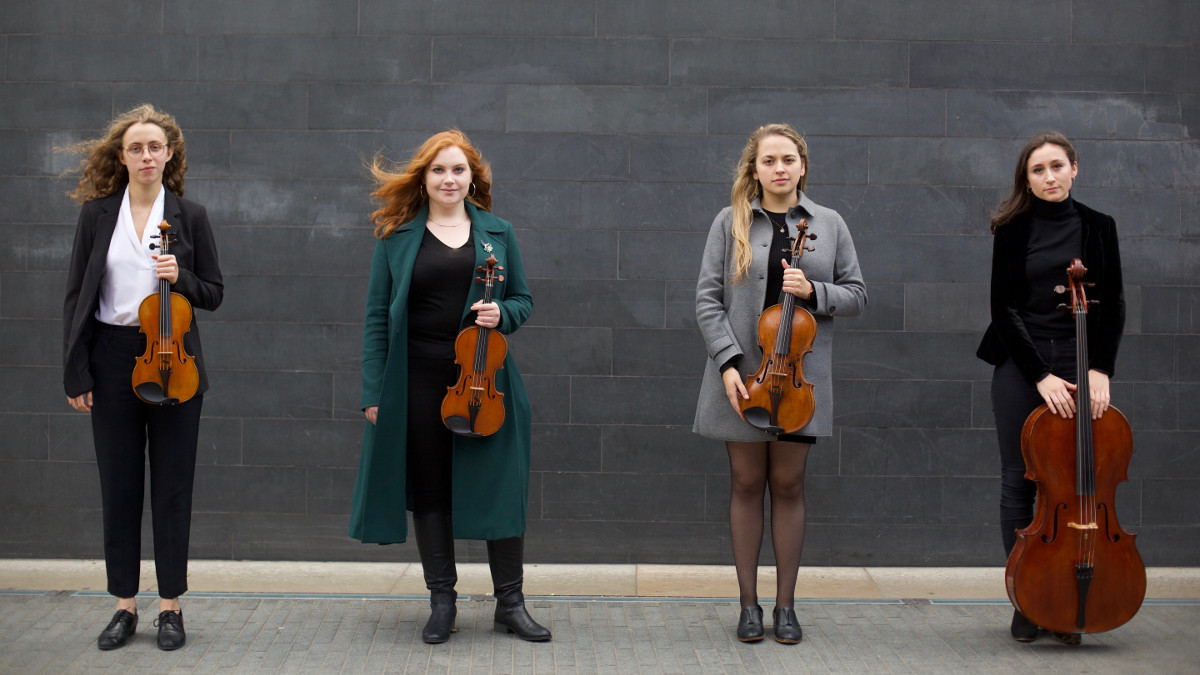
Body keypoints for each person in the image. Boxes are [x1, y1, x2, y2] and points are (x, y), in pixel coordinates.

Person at [349, 130, 549, 644]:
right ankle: (443, 601)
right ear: (424, 178)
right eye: (439, 170)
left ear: (472, 178)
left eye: (458, 170)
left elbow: (523, 300)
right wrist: (374, 391)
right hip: (416, 379)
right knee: (431, 489)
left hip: (486, 379)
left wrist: (500, 312)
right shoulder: (396, 237)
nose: (449, 179)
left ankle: (512, 602)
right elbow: (375, 316)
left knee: (500, 486)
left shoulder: (498, 233)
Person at [694, 124, 867, 644]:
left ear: (802, 165)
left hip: (799, 381)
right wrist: (727, 363)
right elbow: (707, 300)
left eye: (788, 159)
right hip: (743, 377)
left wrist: (814, 290)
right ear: (755, 169)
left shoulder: (828, 224)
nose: (779, 169)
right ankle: (748, 606)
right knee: (746, 484)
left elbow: (857, 294)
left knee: (788, 485)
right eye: (768, 161)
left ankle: (785, 607)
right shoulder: (731, 221)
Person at [62, 104, 223, 651]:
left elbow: (215, 294)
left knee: (173, 488)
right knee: (120, 487)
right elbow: (77, 298)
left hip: (173, 359)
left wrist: (182, 279)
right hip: (110, 357)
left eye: (155, 147)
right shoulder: (96, 215)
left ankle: (171, 607)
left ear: (169, 154)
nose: (146, 155)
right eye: (136, 147)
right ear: (121, 156)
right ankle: (124, 605)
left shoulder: (190, 216)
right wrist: (75, 369)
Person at [977, 132, 1125, 644]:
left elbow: (1115, 303)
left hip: (1082, 359)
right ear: (1028, 179)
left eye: (1057, 166)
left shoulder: (1099, 227)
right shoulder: (1013, 229)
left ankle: (1067, 600)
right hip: (1024, 363)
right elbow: (1004, 308)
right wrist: (1040, 375)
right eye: (1037, 170)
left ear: (1075, 168)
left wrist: (1099, 369)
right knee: (1020, 479)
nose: (1049, 177)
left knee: (1082, 484)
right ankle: (1028, 599)